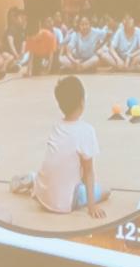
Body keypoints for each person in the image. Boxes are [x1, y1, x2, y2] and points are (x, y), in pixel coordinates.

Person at [27, 76, 109, 218]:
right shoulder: (86, 131)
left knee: (67, 166)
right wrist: (92, 206)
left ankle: (32, 180)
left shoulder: (56, 126)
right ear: (82, 102)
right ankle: (32, 179)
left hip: (42, 195)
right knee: (106, 190)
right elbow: (88, 171)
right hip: (64, 203)